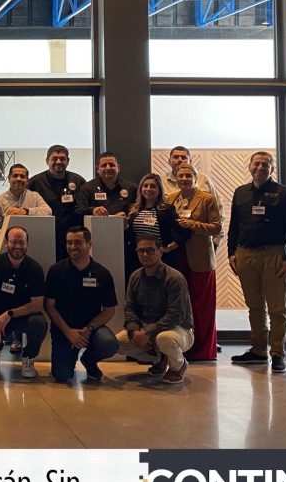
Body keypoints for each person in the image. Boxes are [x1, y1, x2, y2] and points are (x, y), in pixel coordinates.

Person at [228, 152, 286, 374]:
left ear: (272, 169)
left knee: (277, 308)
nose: (260, 167)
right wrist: (231, 253)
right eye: (256, 163)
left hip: (274, 255)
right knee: (255, 307)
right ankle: (259, 350)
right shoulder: (240, 192)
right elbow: (234, 226)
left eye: (265, 164)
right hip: (245, 255)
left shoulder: (285, 193)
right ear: (249, 166)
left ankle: (277, 353)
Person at [116, 235, 195, 384]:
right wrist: (134, 332)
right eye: (141, 251)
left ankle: (178, 366)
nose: (145, 254)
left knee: (164, 338)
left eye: (150, 250)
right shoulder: (135, 276)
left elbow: (175, 315)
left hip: (179, 329)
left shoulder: (175, 278)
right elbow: (130, 308)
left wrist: (148, 334)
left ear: (160, 251)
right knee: (118, 342)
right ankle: (159, 358)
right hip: (147, 328)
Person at [44, 226, 119, 383]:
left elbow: (109, 309)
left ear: (89, 244)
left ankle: (89, 360)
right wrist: (68, 332)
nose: (72, 247)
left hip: (92, 329)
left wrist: (88, 329)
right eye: (69, 242)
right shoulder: (56, 271)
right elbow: (49, 306)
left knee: (109, 344)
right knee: (62, 375)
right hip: (64, 329)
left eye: (77, 242)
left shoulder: (102, 274)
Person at [166, 163, 221, 361]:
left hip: (200, 259)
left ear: (195, 178)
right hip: (176, 256)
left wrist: (193, 225)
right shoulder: (171, 199)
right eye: (181, 176)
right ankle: (182, 346)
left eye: (188, 176)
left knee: (201, 305)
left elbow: (216, 227)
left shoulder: (207, 199)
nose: (184, 179)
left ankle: (204, 350)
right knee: (180, 303)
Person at [0, 226, 47, 378]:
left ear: (27, 244)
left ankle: (28, 358)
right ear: (6, 243)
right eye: (14, 242)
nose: (18, 246)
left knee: (39, 324)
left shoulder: (35, 269)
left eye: (22, 242)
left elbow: (37, 304)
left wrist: (9, 314)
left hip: (24, 315)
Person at [27, 145, 87, 261]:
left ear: (68, 161)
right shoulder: (35, 182)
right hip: (43, 236)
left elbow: (83, 208)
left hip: (72, 238)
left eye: (62, 159)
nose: (58, 162)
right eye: (54, 159)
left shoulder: (78, 181)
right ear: (47, 161)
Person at [161, 146, 224, 248]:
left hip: (200, 244)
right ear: (169, 161)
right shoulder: (161, 182)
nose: (180, 160)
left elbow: (218, 212)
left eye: (183, 157)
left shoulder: (204, 180)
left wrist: (216, 240)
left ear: (190, 161)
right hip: (174, 246)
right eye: (176, 157)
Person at [126, 173, 188, 276]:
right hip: (137, 259)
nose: (148, 189)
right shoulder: (133, 210)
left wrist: (169, 248)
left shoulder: (167, 209)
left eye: (153, 186)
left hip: (161, 259)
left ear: (159, 190)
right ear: (141, 189)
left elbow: (184, 232)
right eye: (145, 186)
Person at [0, 163, 51, 241]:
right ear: (9, 178)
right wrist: (12, 239)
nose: (18, 179)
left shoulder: (35, 196)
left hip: (32, 242)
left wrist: (26, 211)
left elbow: (48, 211)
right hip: (8, 244)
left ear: (27, 180)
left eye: (22, 176)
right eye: (15, 176)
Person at [74, 152, 137, 220]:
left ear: (118, 168)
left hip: (123, 226)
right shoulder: (87, 188)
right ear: (97, 169)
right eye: (104, 165)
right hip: (97, 226)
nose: (108, 168)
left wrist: (127, 217)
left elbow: (137, 210)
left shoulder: (131, 188)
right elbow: (78, 210)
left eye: (112, 165)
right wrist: (92, 210)